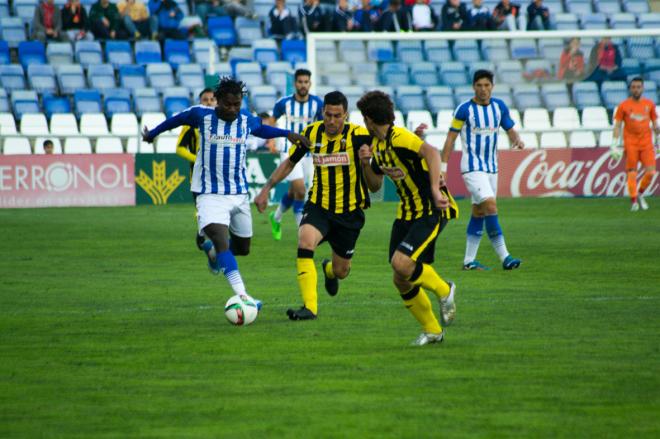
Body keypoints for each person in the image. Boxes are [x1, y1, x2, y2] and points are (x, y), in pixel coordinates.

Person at [142, 77, 310, 309]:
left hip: (239, 194)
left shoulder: (245, 120)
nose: (232, 109)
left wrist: (287, 133)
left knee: (243, 248)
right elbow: (177, 119)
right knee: (221, 239)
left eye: (237, 104)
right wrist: (153, 133)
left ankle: (214, 255)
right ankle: (244, 297)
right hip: (209, 194)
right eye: (228, 104)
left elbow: (261, 128)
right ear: (218, 101)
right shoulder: (201, 115)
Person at [254, 91, 372, 321]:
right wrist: (266, 189)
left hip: (349, 213)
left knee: (341, 271)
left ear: (345, 115)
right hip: (319, 206)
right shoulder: (311, 132)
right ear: (322, 113)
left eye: (337, 116)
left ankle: (329, 270)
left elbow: (384, 149)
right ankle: (310, 307)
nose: (331, 120)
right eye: (327, 115)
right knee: (305, 240)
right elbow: (290, 163)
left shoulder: (359, 136)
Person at [356, 91, 459, 346]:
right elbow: (375, 186)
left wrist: (435, 189)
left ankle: (445, 289)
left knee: (402, 264)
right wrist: (365, 164)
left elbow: (432, 153)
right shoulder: (378, 145)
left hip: (429, 209)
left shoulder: (400, 136)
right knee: (399, 277)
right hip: (406, 213)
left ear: (369, 119)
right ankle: (433, 330)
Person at [440, 70, 524, 271]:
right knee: (491, 207)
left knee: (478, 212)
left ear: (492, 87)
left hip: (491, 168)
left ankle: (469, 261)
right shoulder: (464, 110)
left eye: (487, 85)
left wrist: (517, 139)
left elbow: (509, 128)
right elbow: (450, 139)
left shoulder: (499, 107)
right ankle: (505, 257)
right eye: (479, 85)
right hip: (472, 167)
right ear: (473, 87)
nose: (483, 89)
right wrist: (443, 167)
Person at [268, 69, 324, 241]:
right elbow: (272, 120)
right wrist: (272, 141)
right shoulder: (283, 103)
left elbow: (323, 124)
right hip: (289, 151)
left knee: (295, 192)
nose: (303, 85)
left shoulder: (318, 104)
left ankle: (276, 217)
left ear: (310, 84)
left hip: (309, 154)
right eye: (300, 82)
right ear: (295, 83)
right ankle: (303, 234)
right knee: (300, 190)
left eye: (306, 82)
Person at [611, 77, 659, 211]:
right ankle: (634, 201)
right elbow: (617, 126)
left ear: (642, 88)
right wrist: (614, 144)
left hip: (646, 144)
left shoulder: (649, 104)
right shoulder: (623, 106)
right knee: (632, 172)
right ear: (630, 89)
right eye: (633, 87)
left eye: (638, 87)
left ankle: (640, 193)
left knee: (651, 172)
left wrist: (659, 140)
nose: (636, 89)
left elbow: (655, 124)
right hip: (630, 143)